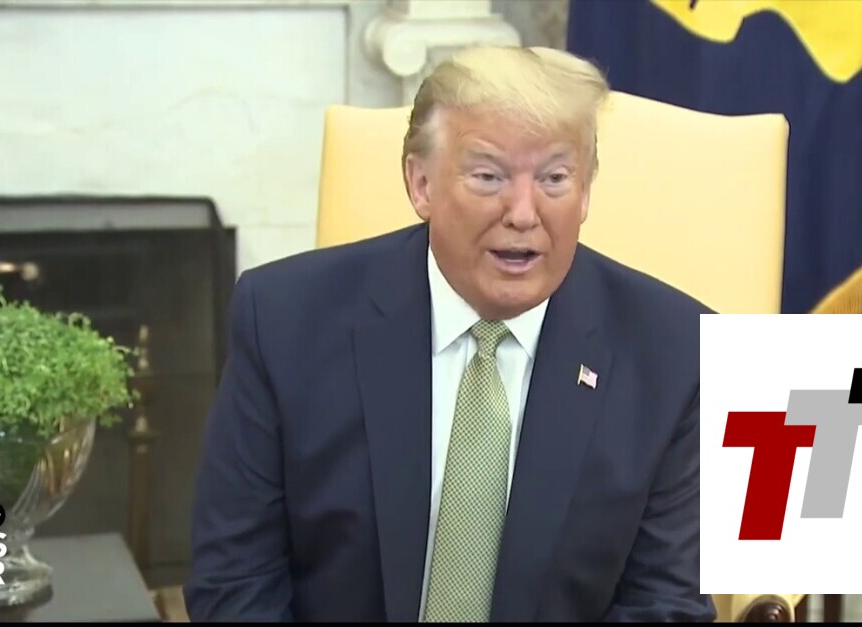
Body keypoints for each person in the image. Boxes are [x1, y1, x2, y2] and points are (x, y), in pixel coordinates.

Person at [184, 45, 716, 622]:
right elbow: (234, 582)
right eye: (488, 176)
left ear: (585, 192)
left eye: (554, 178)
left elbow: (667, 604)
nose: (523, 212)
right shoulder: (282, 320)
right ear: (421, 184)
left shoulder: (683, 353)